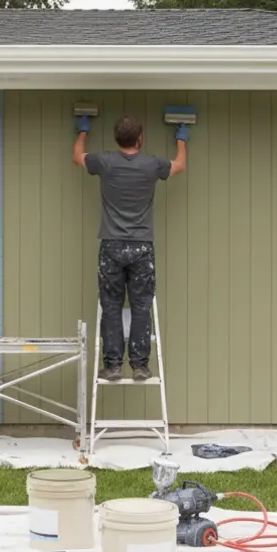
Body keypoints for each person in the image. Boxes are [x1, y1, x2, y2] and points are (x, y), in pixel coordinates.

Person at [72, 114, 187, 382]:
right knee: (141, 306)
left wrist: (82, 131)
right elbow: (179, 165)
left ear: (117, 139)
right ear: (140, 138)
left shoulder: (105, 161)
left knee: (111, 306)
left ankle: (113, 366)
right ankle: (139, 366)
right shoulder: (151, 164)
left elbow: (77, 157)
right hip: (141, 248)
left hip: (111, 246)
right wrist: (181, 138)